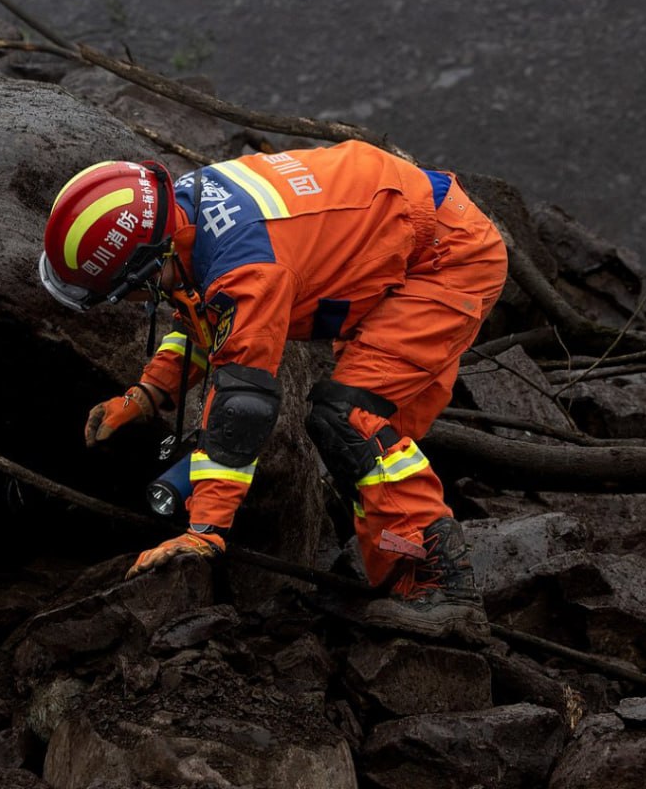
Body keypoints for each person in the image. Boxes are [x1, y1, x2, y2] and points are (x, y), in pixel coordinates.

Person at [38, 140, 508, 638]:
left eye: (125, 292)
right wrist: (147, 394)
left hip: (446, 258)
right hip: (399, 235)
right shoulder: (183, 213)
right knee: (367, 441)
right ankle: (399, 572)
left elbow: (243, 405)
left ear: (148, 264)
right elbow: (205, 320)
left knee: (348, 420)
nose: (130, 302)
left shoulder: (246, 269)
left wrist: (206, 531)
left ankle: (445, 591)